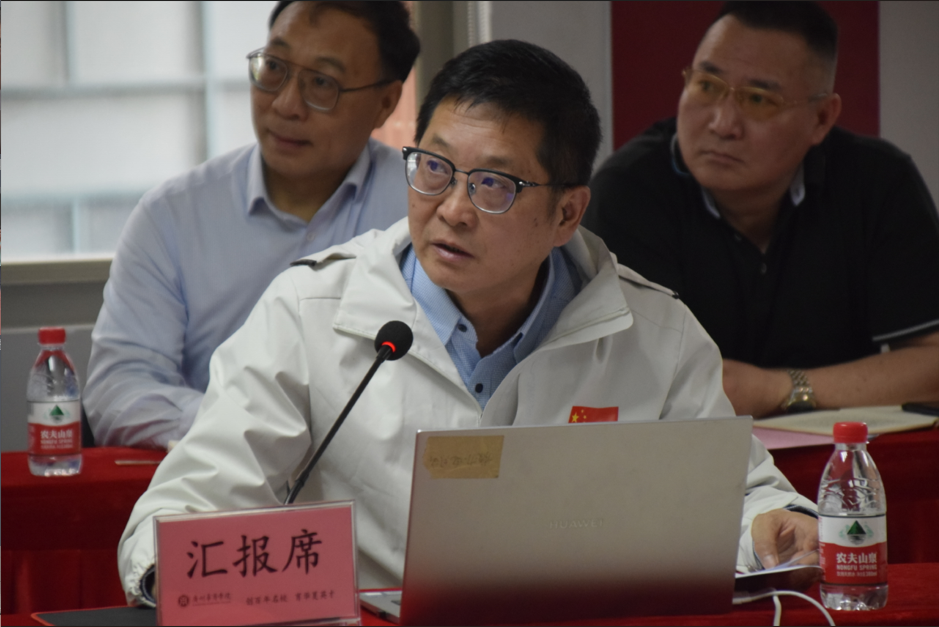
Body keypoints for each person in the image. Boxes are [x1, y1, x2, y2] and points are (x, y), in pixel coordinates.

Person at [119, 39, 818, 605]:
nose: (451, 209)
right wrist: (172, 572)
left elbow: (738, 497)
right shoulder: (310, 313)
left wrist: (773, 529)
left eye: (493, 184)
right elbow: (189, 505)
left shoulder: (655, 334)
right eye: (433, 167)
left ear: (567, 213)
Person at [85, 1, 420, 448]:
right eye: (274, 68)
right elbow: (118, 390)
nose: (286, 104)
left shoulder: (424, 211)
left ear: (386, 103)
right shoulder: (173, 216)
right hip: (219, 474)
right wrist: (251, 429)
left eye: (322, 82)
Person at [585, 1, 939, 419]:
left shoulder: (878, 182)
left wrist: (777, 388)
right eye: (707, 86)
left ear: (821, 118)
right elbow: (623, 382)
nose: (723, 124)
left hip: (838, 451)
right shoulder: (629, 192)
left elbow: (931, 365)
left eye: (758, 99)